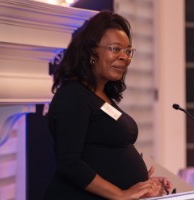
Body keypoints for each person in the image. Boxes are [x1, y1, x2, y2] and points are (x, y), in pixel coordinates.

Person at [44, 10, 171, 200]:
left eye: (128, 51)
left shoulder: (103, 96)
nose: (125, 57)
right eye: (115, 48)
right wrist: (122, 193)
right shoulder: (73, 95)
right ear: (91, 52)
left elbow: (101, 155)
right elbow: (69, 162)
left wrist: (142, 182)